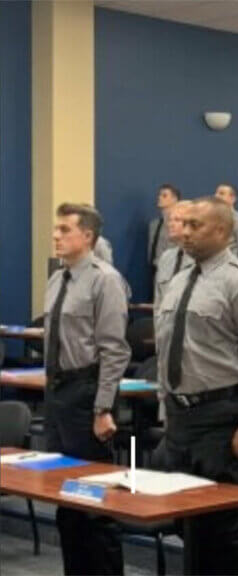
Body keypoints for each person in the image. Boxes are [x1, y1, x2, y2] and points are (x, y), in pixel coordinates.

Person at [156, 196, 238, 575]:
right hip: (181, 415)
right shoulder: (180, 280)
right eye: (185, 225)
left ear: (223, 232)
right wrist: (167, 407)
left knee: (223, 527)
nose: (186, 232)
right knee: (185, 519)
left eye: (197, 226)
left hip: (220, 416)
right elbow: (167, 350)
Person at [44, 203, 129, 575]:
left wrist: (103, 407)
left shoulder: (104, 279)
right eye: (56, 229)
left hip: (86, 392)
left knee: (93, 501)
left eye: (65, 229)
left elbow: (114, 349)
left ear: (88, 236)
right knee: (66, 497)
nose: (57, 236)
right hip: (58, 392)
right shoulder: (57, 279)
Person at [154, 201, 195, 311]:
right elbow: (158, 302)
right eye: (170, 220)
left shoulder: (200, 258)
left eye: (177, 220)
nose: (170, 224)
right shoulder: (166, 258)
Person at [148, 183, 180, 273]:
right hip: (157, 270)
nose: (160, 197)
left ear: (175, 199)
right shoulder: (154, 225)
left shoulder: (182, 224)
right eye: (159, 195)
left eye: (164, 195)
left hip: (175, 271)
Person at [215, 183, 238, 252]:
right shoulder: (210, 218)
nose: (216, 196)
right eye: (216, 193)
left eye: (221, 193)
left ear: (232, 198)